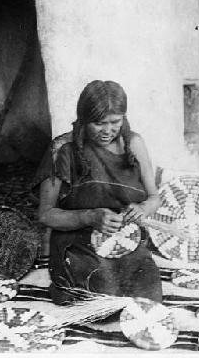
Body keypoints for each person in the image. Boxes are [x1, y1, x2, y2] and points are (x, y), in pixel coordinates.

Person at [32, 80, 162, 304]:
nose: (108, 131)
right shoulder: (62, 150)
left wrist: (142, 208)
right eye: (99, 123)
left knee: (148, 296)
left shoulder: (134, 144)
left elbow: (154, 198)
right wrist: (90, 217)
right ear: (83, 119)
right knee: (104, 294)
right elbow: (45, 214)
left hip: (125, 238)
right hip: (77, 239)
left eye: (115, 122)